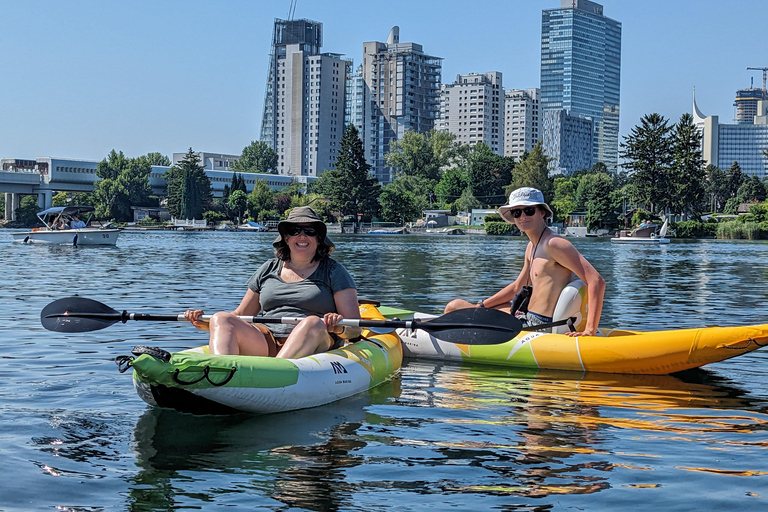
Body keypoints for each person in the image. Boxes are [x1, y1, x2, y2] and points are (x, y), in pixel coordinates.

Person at [184, 206, 361, 358]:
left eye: (310, 231)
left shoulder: (334, 271)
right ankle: (221, 374)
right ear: (286, 238)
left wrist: (337, 326)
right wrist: (207, 322)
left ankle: (277, 373)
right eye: (294, 231)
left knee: (312, 322)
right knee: (222, 318)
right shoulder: (268, 268)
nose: (302, 236)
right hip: (266, 339)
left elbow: (355, 328)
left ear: (319, 238)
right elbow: (241, 314)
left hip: (315, 339)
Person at [444, 187, 605, 337]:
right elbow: (517, 287)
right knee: (465, 308)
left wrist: (590, 330)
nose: (523, 217)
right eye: (516, 212)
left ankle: (452, 339)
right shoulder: (532, 246)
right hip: (526, 317)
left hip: (537, 326)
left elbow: (596, 281)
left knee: (454, 307)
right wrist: (481, 306)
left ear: (542, 212)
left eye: (529, 210)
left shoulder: (554, 244)